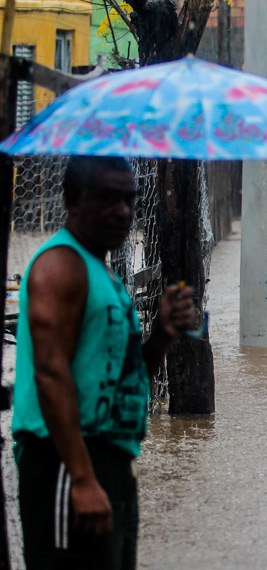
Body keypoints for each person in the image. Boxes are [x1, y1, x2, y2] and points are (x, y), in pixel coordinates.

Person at [11, 156, 196, 569]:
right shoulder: (61, 266)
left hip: (109, 459)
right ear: (72, 201)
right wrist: (81, 477)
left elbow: (124, 379)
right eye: (107, 199)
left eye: (129, 200)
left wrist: (162, 333)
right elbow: (50, 372)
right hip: (64, 460)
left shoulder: (103, 276)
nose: (122, 212)